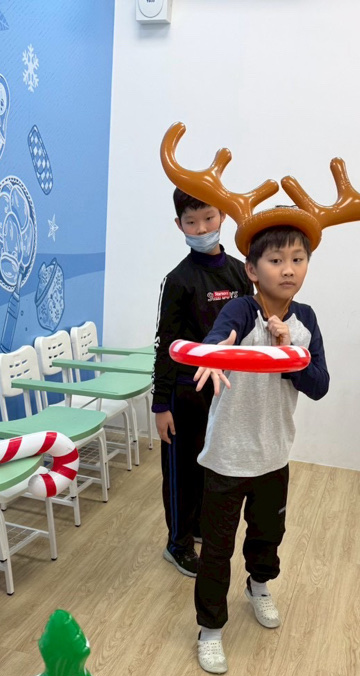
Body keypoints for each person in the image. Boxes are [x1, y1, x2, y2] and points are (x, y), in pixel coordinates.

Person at [189, 224, 329, 673]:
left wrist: (288, 350)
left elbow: (319, 385)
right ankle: (210, 628)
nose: (288, 270)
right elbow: (219, 339)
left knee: (268, 535)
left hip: (274, 456)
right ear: (251, 269)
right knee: (216, 548)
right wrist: (214, 353)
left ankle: (259, 585)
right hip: (228, 456)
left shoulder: (305, 320)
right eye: (276, 260)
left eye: (297, 260)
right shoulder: (240, 311)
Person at [152, 188, 252, 578]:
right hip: (185, 393)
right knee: (182, 472)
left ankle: (194, 527)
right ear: (179, 225)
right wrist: (161, 405)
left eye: (208, 218)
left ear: (222, 216)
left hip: (225, 391)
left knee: (211, 468)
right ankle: (177, 544)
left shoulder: (242, 272)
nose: (201, 228)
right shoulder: (178, 280)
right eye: (191, 222)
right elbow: (164, 344)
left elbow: (250, 330)